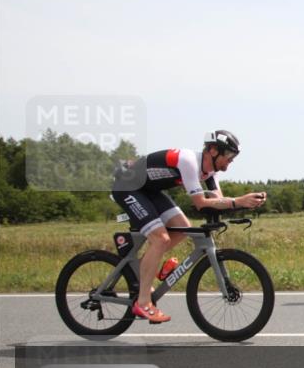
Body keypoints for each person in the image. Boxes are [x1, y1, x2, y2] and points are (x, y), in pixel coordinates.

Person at [111, 130, 267, 324]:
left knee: (183, 228)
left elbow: (217, 201)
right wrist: (238, 201)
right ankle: (143, 303)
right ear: (212, 150)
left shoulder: (211, 172)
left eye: (233, 156)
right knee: (160, 239)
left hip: (149, 190)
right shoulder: (188, 161)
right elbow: (201, 203)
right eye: (228, 155)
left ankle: (145, 270)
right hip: (128, 187)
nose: (231, 160)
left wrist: (244, 203)